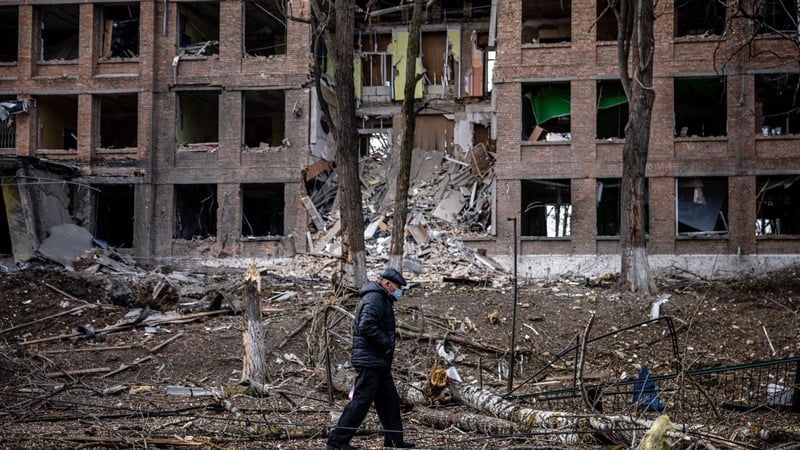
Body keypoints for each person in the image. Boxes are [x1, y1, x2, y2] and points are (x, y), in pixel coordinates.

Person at [326, 268, 415, 450]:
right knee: (361, 401)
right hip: (370, 360)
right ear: (387, 284)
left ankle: (394, 441)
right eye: (397, 287)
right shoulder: (375, 298)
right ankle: (337, 441)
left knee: (389, 401)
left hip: (378, 361)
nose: (399, 292)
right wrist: (386, 344)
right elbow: (366, 325)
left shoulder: (381, 298)